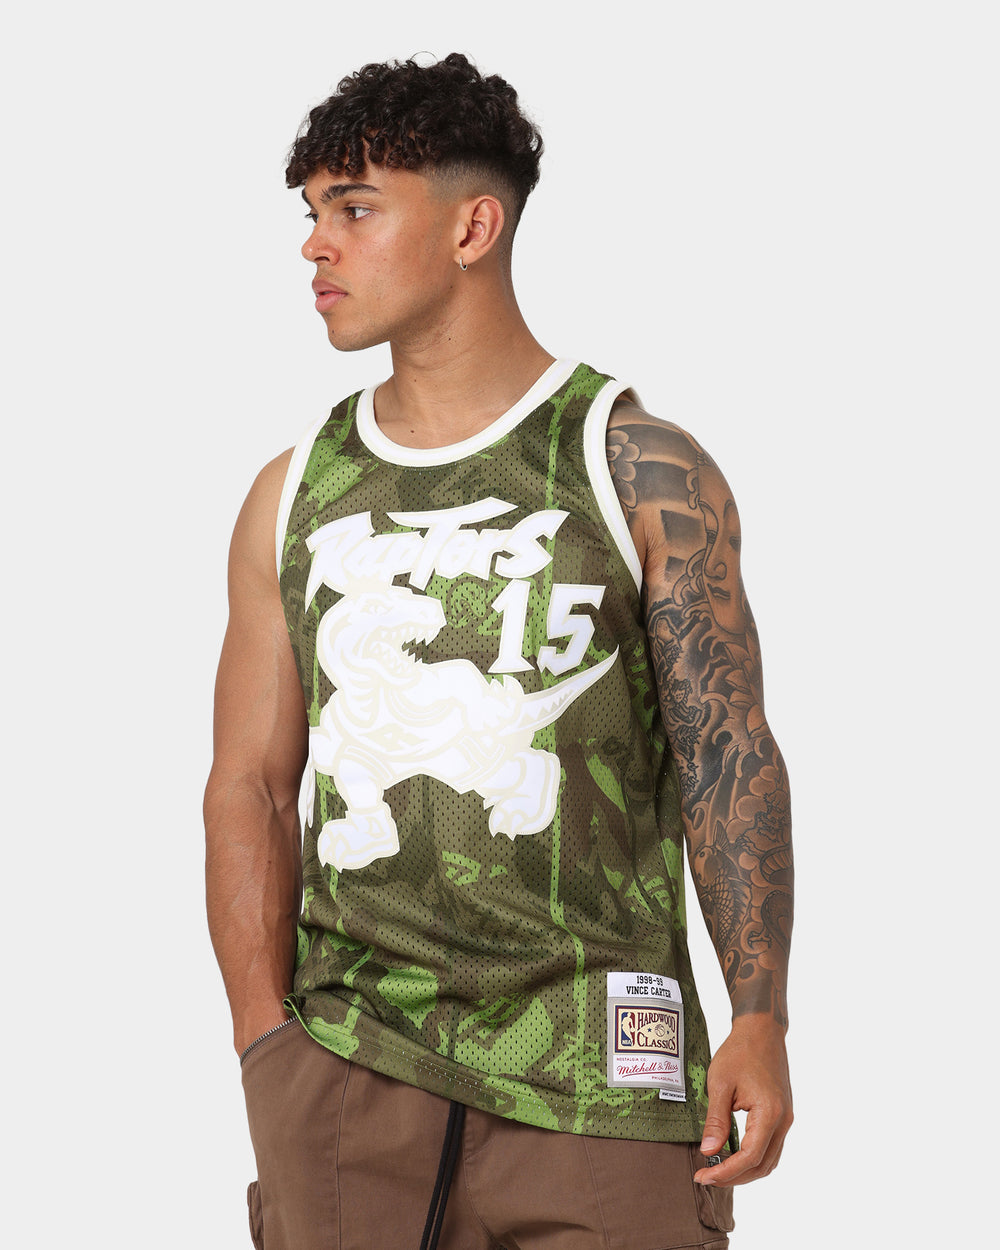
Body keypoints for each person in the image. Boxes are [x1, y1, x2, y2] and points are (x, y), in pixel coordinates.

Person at [205, 52, 793, 1250]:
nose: (315, 245)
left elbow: (726, 754)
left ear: (472, 227)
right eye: (310, 213)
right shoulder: (293, 492)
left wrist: (759, 1014)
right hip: (349, 1069)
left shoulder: (635, 465)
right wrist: (266, 1041)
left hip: (600, 1075)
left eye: (354, 209)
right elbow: (251, 784)